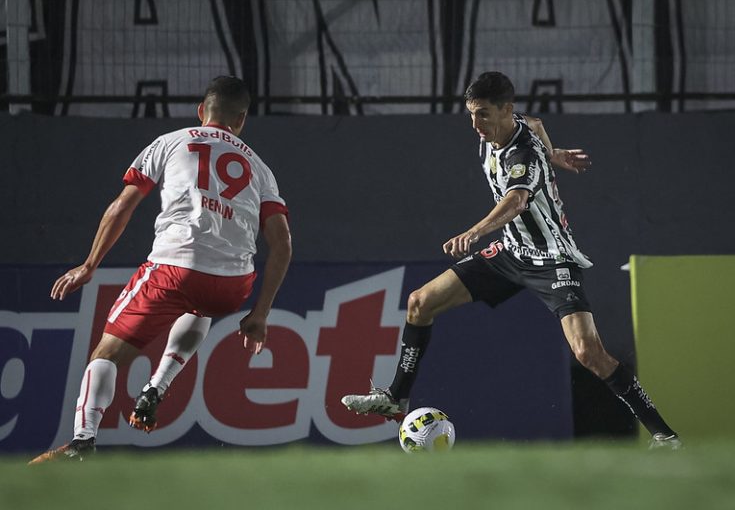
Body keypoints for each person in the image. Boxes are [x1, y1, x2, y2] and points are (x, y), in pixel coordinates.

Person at [342, 71, 681, 449]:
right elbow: (535, 122)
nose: (475, 124)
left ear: (506, 110)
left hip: (552, 259)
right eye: (471, 114)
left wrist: (476, 231)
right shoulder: (512, 127)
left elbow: (516, 200)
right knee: (419, 303)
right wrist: (555, 154)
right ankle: (395, 397)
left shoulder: (524, 153)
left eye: (483, 114)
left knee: (589, 353)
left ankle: (664, 435)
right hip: (511, 253)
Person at [29, 76, 292, 463]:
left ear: (202, 111)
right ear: (241, 120)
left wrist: (89, 265)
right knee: (199, 305)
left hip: (175, 266)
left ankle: (82, 442)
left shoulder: (172, 141)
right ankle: (157, 386)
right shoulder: (260, 168)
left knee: (105, 354)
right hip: (232, 284)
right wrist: (261, 314)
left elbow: (123, 205)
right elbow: (282, 244)